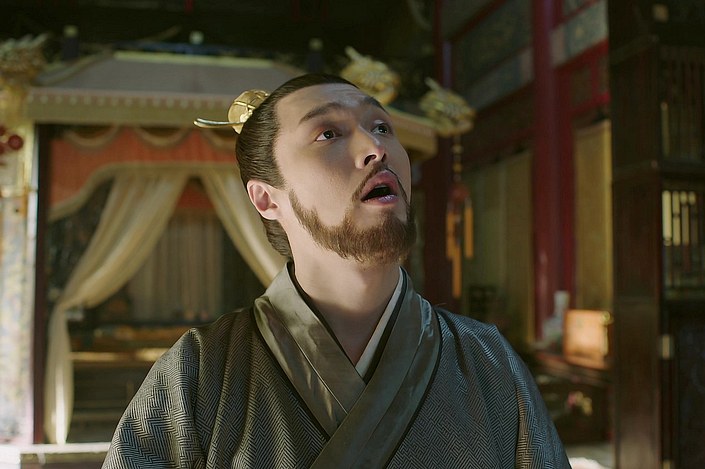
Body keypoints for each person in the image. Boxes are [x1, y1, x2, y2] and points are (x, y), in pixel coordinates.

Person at [103, 74, 571, 468]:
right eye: (328, 133)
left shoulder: (488, 363)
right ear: (267, 198)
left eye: (382, 127)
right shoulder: (200, 373)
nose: (375, 147)